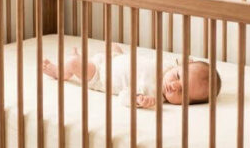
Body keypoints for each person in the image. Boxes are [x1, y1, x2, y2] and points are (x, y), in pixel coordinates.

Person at [42, 45, 222, 109]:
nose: (174, 85)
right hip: (116, 58)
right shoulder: (170, 67)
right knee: (114, 46)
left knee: (75, 63)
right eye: (177, 76)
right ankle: (80, 58)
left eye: (182, 92)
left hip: (101, 74)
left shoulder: (153, 94)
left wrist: (137, 100)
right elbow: (181, 63)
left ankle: (60, 71)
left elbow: (124, 96)